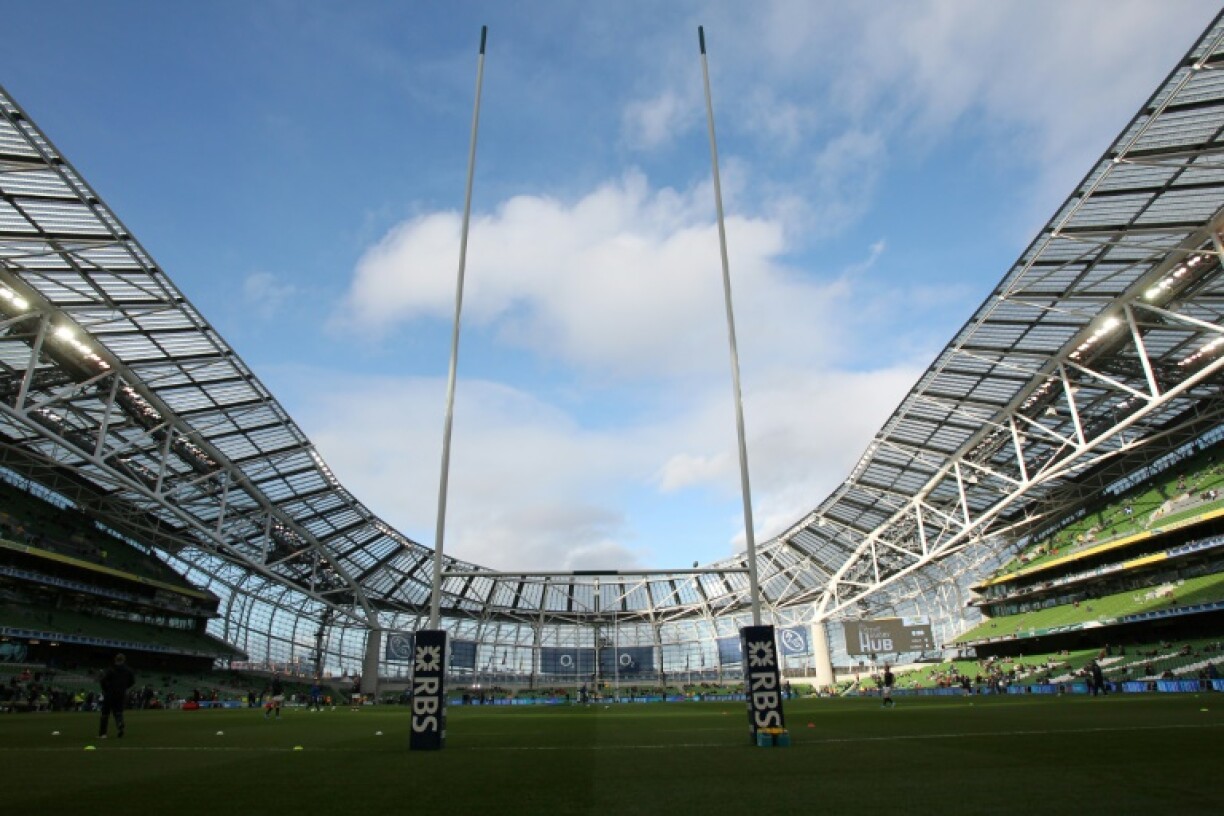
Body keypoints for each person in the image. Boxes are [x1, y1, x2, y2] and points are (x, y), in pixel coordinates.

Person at [98, 653, 135, 739]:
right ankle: (119, 725)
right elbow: (132, 682)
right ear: (124, 660)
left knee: (105, 714)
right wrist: (124, 687)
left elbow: (103, 680)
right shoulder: (129, 670)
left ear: (115, 659)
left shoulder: (111, 669)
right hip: (121, 694)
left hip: (110, 693)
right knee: (118, 712)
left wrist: (105, 689)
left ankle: (103, 734)